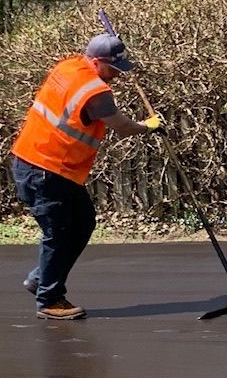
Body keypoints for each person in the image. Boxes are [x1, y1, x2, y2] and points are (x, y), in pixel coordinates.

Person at [11, 33, 162, 319]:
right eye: (112, 68)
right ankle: (49, 300)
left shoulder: (68, 66)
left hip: (51, 166)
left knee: (82, 223)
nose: (117, 74)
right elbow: (122, 127)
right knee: (58, 234)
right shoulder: (95, 92)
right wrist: (148, 126)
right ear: (95, 62)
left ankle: (41, 278)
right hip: (44, 170)